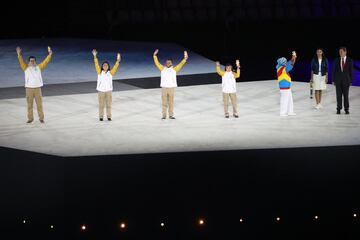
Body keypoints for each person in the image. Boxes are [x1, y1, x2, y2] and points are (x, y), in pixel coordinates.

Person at [16, 46, 52, 123]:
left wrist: (50, 54)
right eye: (31, 61)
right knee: (29, 105)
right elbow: (21, 61)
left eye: (34, 61)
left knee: (39, 105)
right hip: (29, 89)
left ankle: (41, 118)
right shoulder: (25, 68)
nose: (32, 62)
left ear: (35, 61)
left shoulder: (39, 67)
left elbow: (45, 61)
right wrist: (19, 54)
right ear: (28, 62)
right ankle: (30, 119)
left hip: (38, 89)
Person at [153, 49, 188, 119]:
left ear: (172, 63)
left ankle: (171, 115)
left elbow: (181, 63)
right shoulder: (162, 68)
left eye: (169, 62)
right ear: (165, 63)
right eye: (167, 62)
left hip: (171, 88)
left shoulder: (175, 69)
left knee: (171, 103)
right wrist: (154, 56)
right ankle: (164, 115)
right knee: (164, 103)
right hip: (164, 88)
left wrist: (185, 58)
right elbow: (157, 63)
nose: (168, 63)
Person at [92, 49, 120, 121]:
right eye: (104, 65)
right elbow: (96, 64)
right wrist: (95, 56)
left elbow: (116, 67)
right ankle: (101, 117)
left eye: (106, 65)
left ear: (108, 67)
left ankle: (109, 116)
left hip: (108, 91)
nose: (105, 66)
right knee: (101, 105)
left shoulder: (110, 73)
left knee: (108, 105)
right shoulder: (99, 72)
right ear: (102, 66)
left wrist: (118, 60)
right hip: (101, 91)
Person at [332, 47, 354, 115]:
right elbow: (334, 71)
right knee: (338, 96)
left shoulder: (349, 60)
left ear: (345, 52)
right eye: (339, 52)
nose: (340, 53)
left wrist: (351, 81)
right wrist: (333, 80)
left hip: (346, 81)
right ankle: (338, 109)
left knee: (346, 96)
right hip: (338, 81)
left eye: (341, 52)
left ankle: (346, 109)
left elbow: (351, 71)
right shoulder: (336, 60)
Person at [276, 51, 297, 117]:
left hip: (287, 88)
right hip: (284, 88)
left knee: (290, 101)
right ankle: (282, 113)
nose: (286, 62)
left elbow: (290, 62)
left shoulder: (281, 67)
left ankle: (290, 112)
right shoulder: (282, 69)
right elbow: (291, 64)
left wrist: (294, 57)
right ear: (282, 63)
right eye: (284, 61)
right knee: (284, 100)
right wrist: (293, 57)